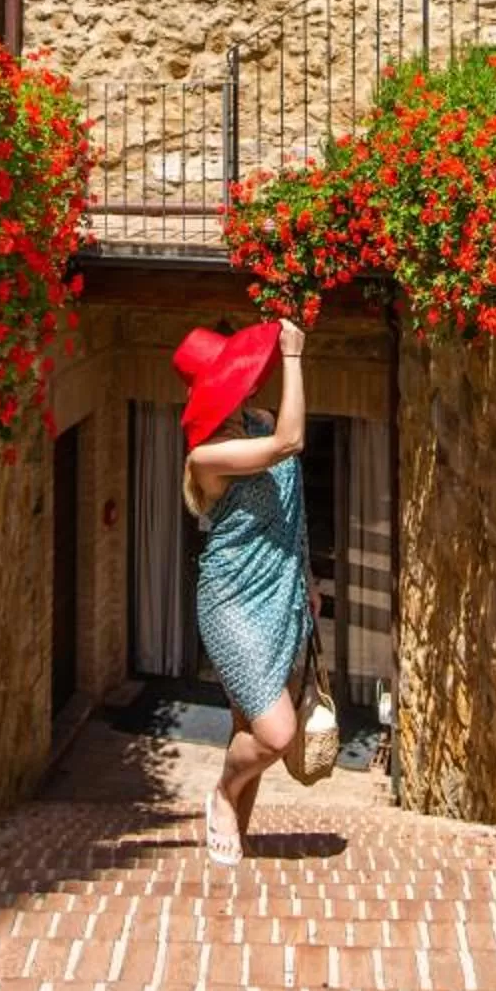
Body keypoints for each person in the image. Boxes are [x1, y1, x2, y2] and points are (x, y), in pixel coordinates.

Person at [176, 315, 314, 866]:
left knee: (246, 725)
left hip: (280, 589)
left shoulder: (256, 419)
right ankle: (222, 795)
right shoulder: (206, 458)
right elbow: (292, 442)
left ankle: (237, 828)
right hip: (231, 598)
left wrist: (305, 577)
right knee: (276, 733)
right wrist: (295, 357)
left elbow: (291, 510)